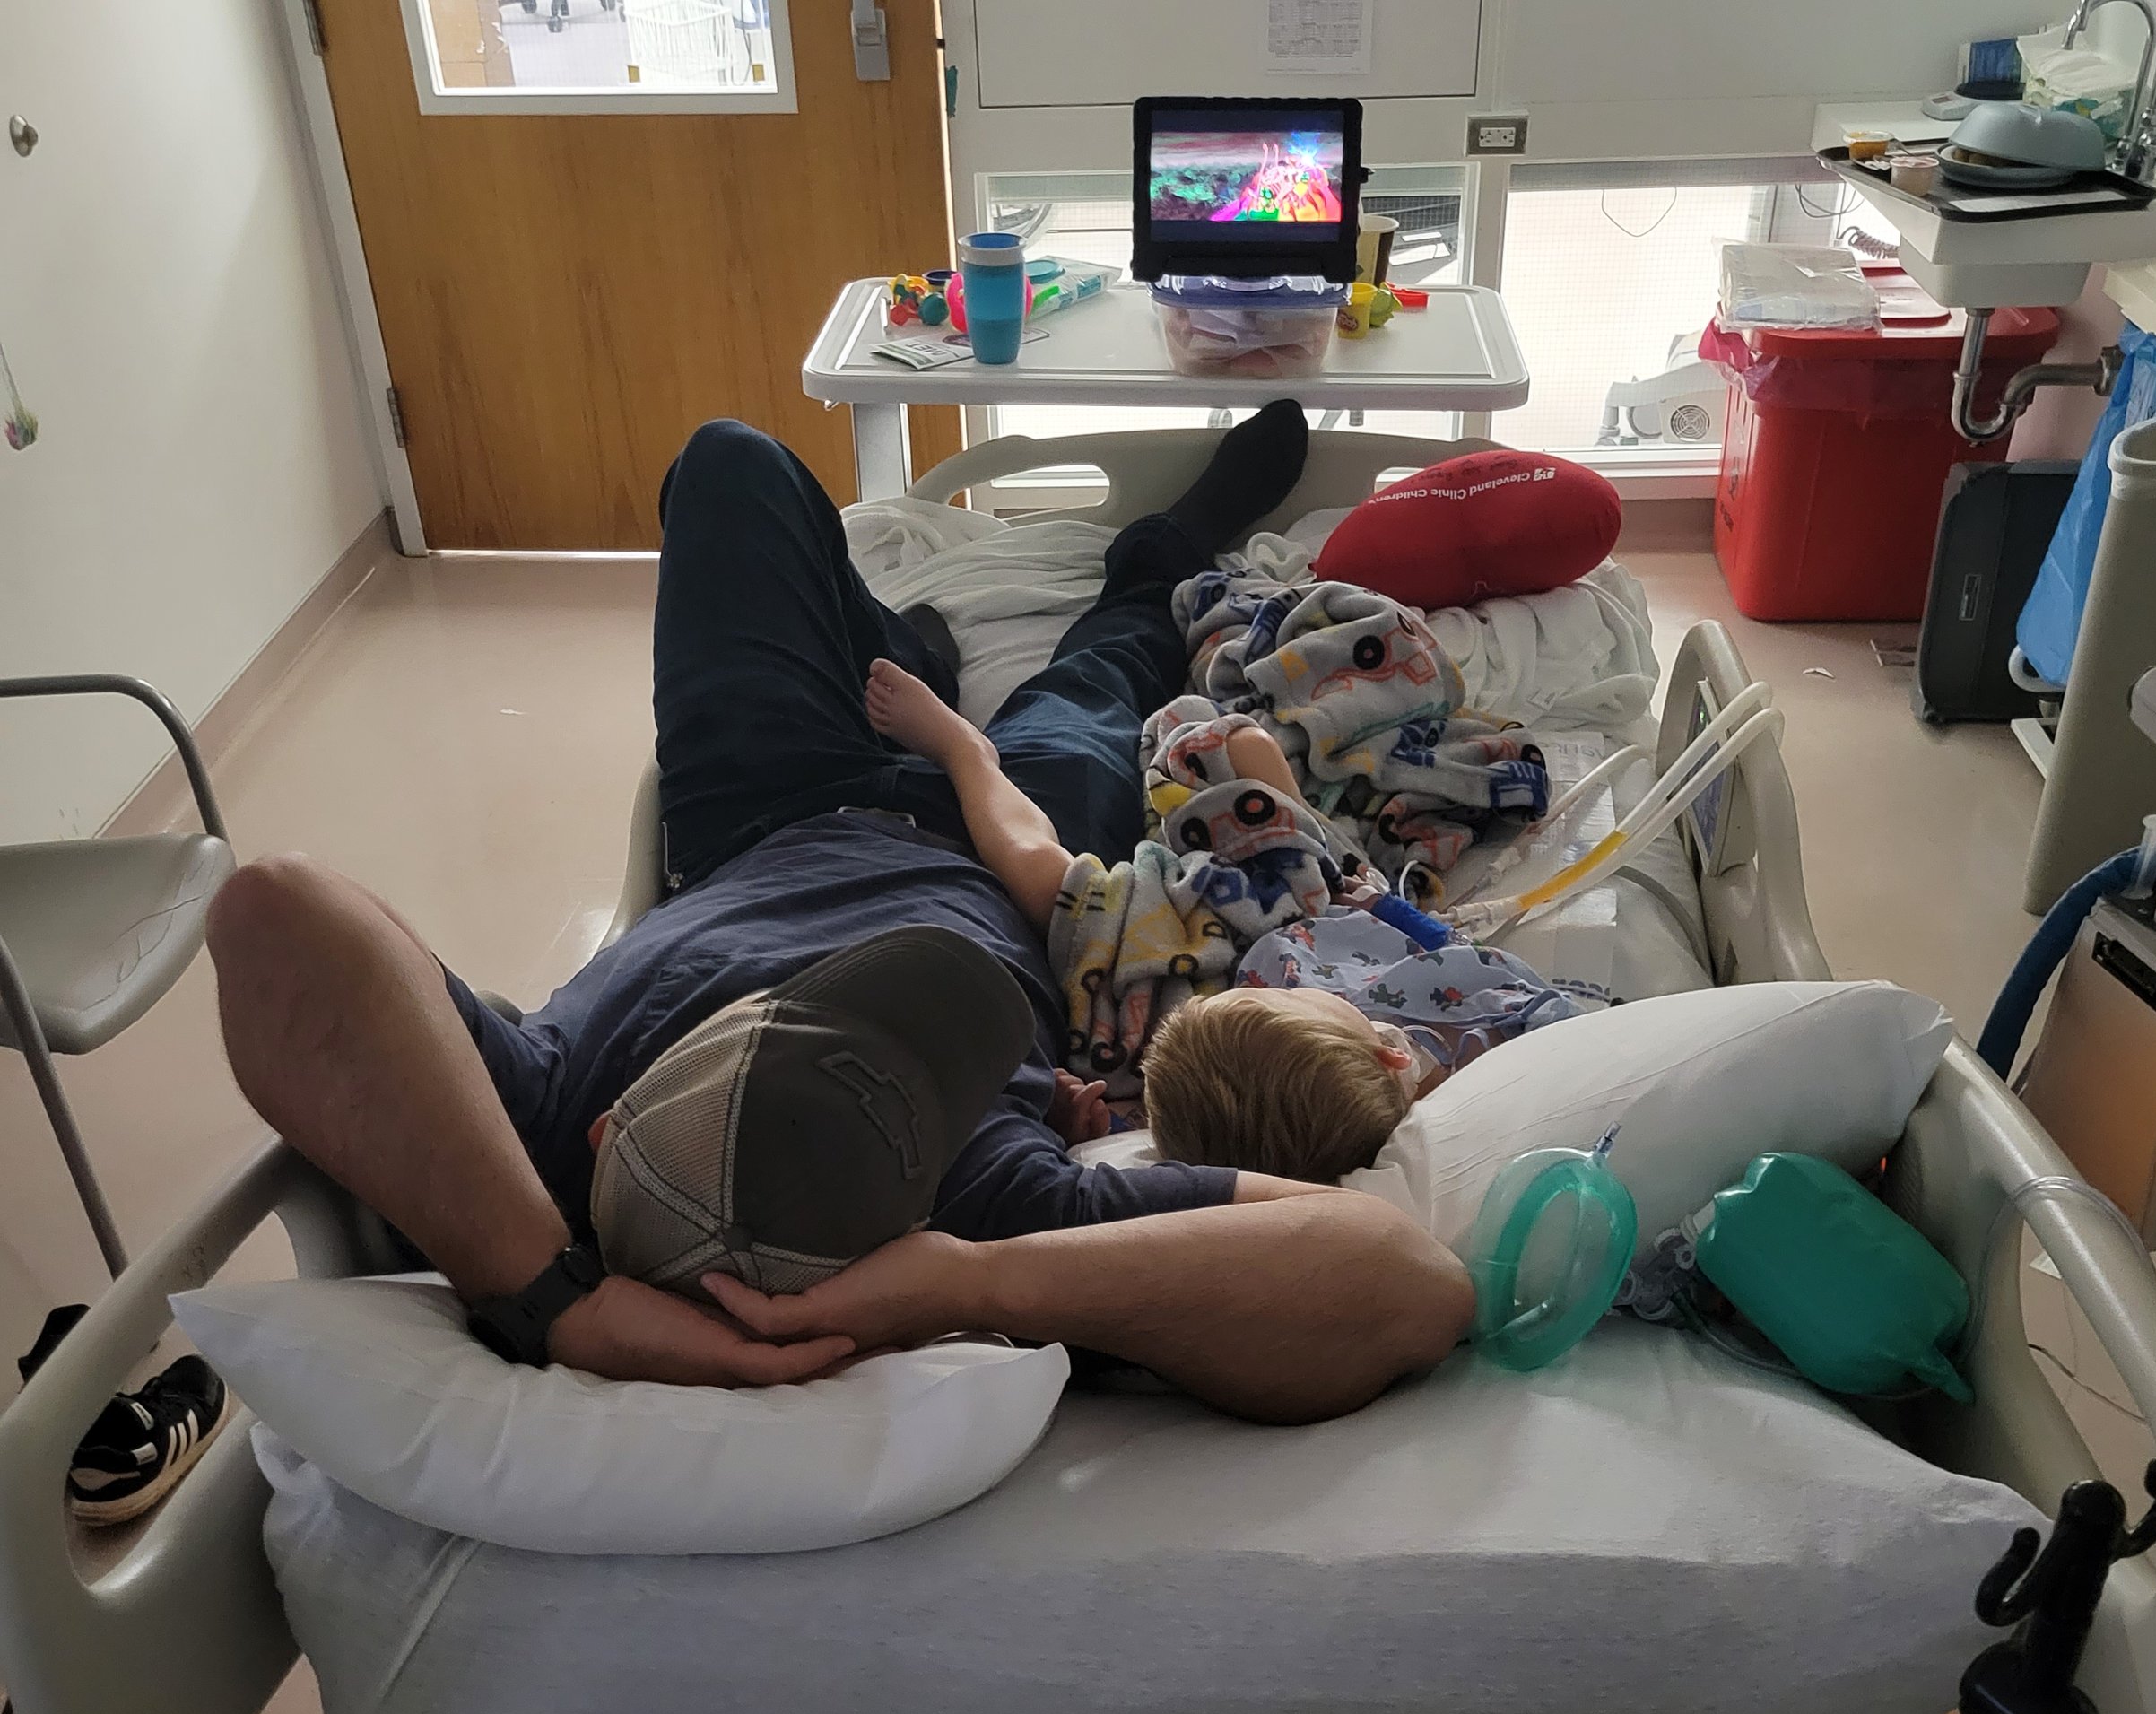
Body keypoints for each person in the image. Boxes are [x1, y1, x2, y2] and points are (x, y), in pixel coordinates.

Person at [208, 410, 1474, 1424]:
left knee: (728, 462)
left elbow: (274, 914)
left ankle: (895, 646)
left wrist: (547, 1301)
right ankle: (1165, 544)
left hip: (764, 813)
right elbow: (1405, 1283)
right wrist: (981, 1279)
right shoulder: (974, 1208)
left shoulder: (544, 1125)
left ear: (615, 1119)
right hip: (1005, 855)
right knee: (1106, 663)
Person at [863, 655, 1581, 1188]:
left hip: (1166, 973)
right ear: (1391, 1056)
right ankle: (1259, 786)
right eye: (1289, 995)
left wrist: (1078, 1123)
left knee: (1036, 866)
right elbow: (1457, 957)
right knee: (1246, 748)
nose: (1275, 981)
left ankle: (968, 753)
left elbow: (1135, 1133)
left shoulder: (1200, 1113)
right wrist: (1380, 903)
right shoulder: (1442, 1056)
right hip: (1311, 906)